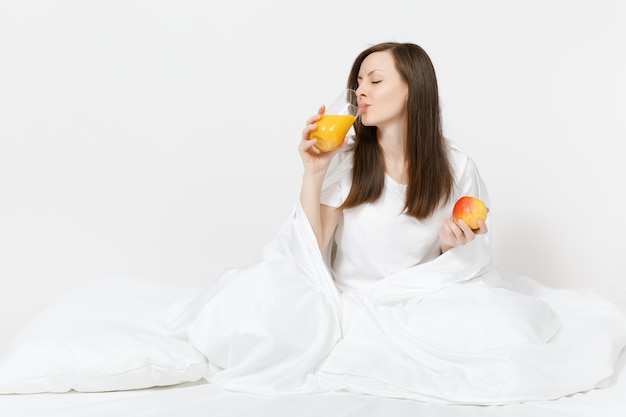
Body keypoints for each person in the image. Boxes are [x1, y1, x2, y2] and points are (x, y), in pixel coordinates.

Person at [164, 41, 626, 405]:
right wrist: (313, 172)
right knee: (258, 309)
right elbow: (310, 244)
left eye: (375, 80)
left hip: (420, 299)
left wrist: (452, 246)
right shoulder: (344, 158)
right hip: (349, 298)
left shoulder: (457, 167)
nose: (361, 90)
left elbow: (467, 262)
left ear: (412, 89)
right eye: (358, 81)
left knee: (505, 330)